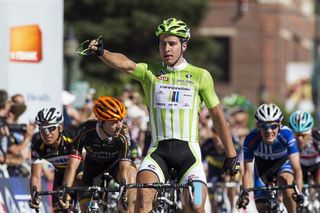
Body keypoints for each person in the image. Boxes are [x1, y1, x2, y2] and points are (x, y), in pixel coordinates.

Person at [88, 17, 239, 213]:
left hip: (190, 155)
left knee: (196, 203)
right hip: (158, 152)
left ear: (184, 45)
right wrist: (101, 52)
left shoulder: (200, 76)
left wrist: (231, 154)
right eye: (162, 43)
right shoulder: (150, 72)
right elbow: (125, 64)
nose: (167, 48)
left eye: (172, 43)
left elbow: (218, 117)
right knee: (144, 197)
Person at [59, 96, 137, 213]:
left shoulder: (123, 133)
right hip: (93, 166)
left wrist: (123, 194)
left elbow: (124, 168)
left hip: (116, 166)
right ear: (101, 122)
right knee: (85, 207)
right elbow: (72, 166)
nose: (119, 126)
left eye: (121, 120)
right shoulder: (85, 131)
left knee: (131, 173)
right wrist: (66, 191)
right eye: (114, 122)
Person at [237, 103, 304, 212]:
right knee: (261, 207)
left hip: (282, 164)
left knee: (286, 182)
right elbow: (247, 172)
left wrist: (299, 193)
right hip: (261, 168)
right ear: (258, 126)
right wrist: (245, 194)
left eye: (273, 126)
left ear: (280, 124)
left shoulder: (287, 135)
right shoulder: (251, 139)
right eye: (264, 126)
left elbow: (297, 169)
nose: (269, 131)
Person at [29, 108, 82, 212]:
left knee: (80, 187)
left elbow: (72, 168)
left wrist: (66, 192)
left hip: (81, 170)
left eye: (51, 128)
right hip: (61, 172)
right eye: (42, 129)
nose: (47, 133)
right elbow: (35, 175)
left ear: (60, 127)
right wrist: (35, 196)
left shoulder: (72, 139)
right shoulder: (37, 144)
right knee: (58, 208)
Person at [201, 127, 241, 213]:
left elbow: (240, 166)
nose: (218, 144)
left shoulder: (234, 144)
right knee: (213, 200)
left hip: (229, 168)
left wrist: (232, 177)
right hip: (214, 170)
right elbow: (202, 165)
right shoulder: (207, 145)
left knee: (231, 185)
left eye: (220, 141)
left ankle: (232, 207)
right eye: (215, 140)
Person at [289, 111, 320, 189]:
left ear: (310, 133)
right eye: (297, 135)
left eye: (303, 135)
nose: (300, 139)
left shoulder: (317, 138)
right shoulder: (289, 141)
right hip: (300, 167)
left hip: (316, 165)